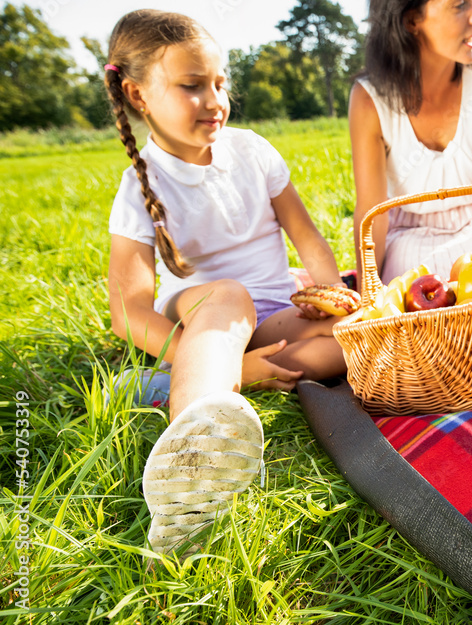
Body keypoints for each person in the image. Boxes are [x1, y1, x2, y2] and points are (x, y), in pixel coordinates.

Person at [104, 10, 351, 554]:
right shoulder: (139, 187)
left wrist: (330, 293)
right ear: (138, 95)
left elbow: (307, 237)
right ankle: (190, 462)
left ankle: (190, 382)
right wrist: (204, 354)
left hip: (272, 317)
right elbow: (128, 311)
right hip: (206, 317)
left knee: (356, 338)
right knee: (230, 295)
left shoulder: (253, 151)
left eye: (220, 83)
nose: (214, 100)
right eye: (192, 86)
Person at [348, 0, 472, 300]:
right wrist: (366, 299)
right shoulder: (368, 99)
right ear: (413, 20)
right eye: (459, 5)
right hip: (408, 239)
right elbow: (371, 214)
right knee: (419, 326)